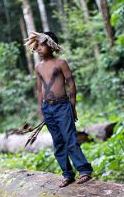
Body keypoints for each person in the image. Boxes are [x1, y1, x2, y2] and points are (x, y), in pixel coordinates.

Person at [25, 31, 93, 187]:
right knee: (58, 142)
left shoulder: (60, 63)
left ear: (51, 45)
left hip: (63, 106)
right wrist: (42, 111)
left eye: (42, 44)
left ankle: (84, 170)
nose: (39, 48)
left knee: (70, 139)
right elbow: (40, 90)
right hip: (48, 109)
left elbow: (71, 84)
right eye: (38, 45)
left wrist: (73, 106)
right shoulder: (38, 67)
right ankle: (67, 174)